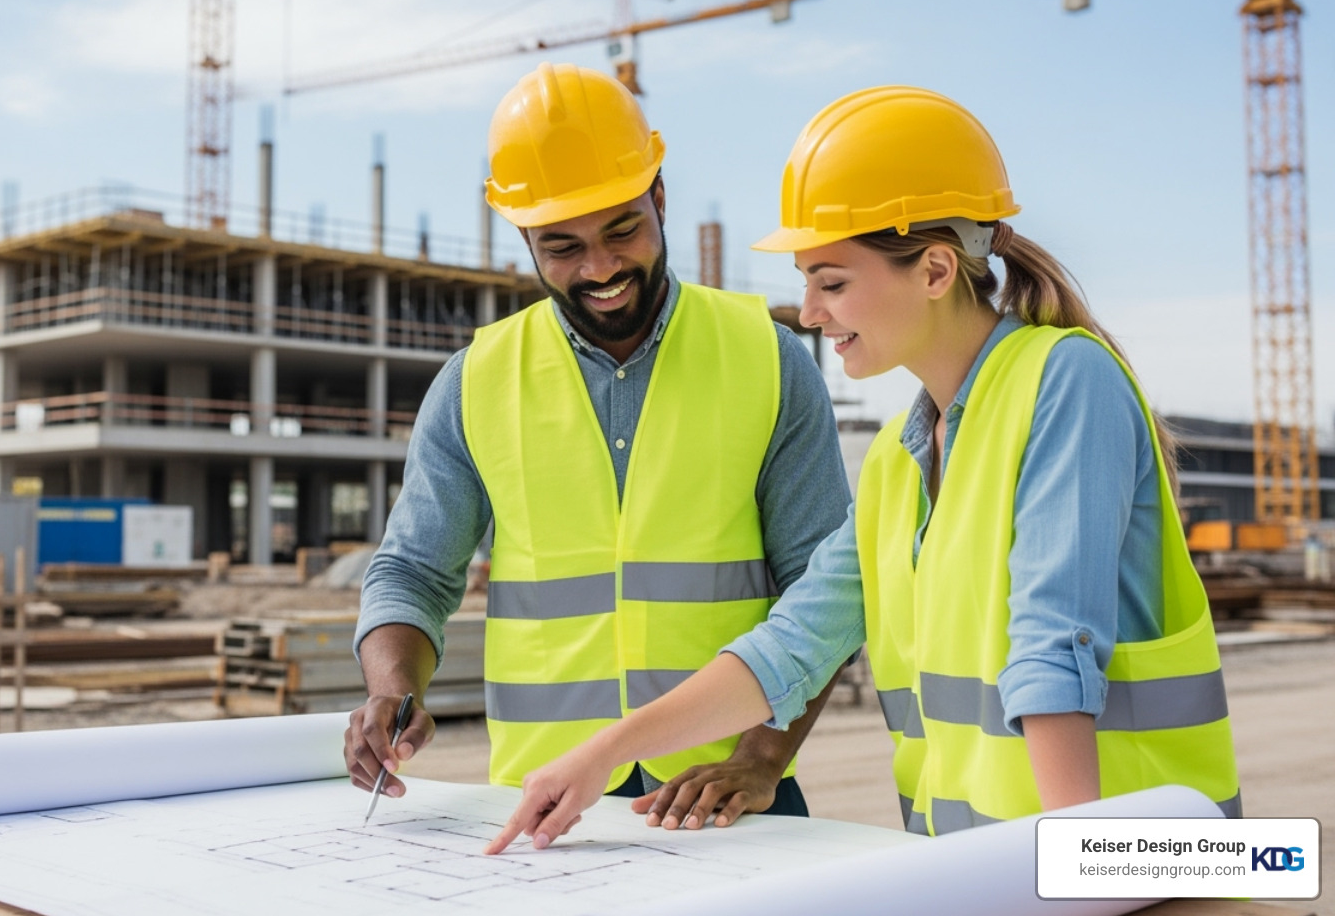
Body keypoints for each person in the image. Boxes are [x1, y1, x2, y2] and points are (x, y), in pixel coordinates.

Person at [486, 85, 1240, 852]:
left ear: (937, 270)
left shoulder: (1067, 381)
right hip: (987, 869)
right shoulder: (897, 462)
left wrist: (1078, 879)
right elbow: (790, 647)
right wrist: (601, 756)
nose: (809, 312)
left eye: (832, 282)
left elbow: (1054, 652)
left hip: (1134, 869)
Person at [347, 62, 854, 828]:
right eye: (562, 246)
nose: (601, 268)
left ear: (659, 196)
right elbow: (413, 571)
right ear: (523, 237)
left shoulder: (769, 358)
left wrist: (760, 760)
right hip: (542, 801)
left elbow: (825, 595)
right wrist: (393, 686)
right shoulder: (475, 381)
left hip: (728, 794)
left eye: (622, 230)